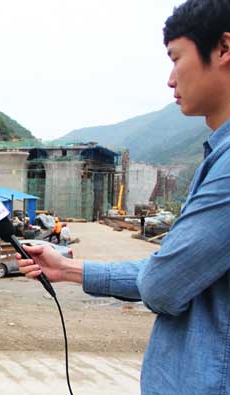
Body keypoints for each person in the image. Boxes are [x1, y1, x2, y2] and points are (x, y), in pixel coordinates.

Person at [17, 1, 230, 394]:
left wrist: (159, 275)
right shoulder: (217, 157)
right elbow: (170, 269)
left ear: (223, 49)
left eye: (176, 58)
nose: (170, 79)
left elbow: (163, 283)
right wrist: (67, 269)